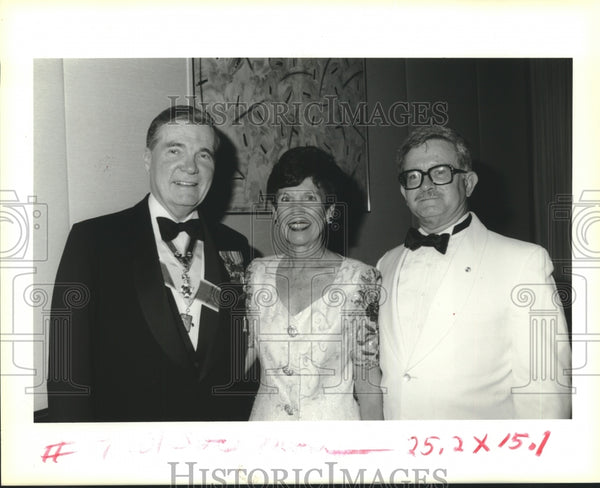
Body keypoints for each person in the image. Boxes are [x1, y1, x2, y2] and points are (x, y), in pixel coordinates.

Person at [47, 105, 254, 421]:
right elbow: (67, 371)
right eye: (175, 150)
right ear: (147, 158)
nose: (190, 167)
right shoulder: (93, 241)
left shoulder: (235, 246)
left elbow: (236, 357)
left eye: (204, 155)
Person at [377, 125, 572, 420]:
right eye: (413, 177)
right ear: (403, 192)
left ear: (468, 183)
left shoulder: (524, 262)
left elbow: (544, 392)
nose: (425, 185)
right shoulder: (385, 265)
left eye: (440, 172)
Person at [244, 146, 383, 420]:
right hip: (264, 438)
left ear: (329, 210)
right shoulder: (255, 274)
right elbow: (238, 358)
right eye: (285, 198)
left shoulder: (360, 280)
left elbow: (368, 383)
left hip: (335, 440)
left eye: (309, 197)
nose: (297, 211)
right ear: (274, 210)